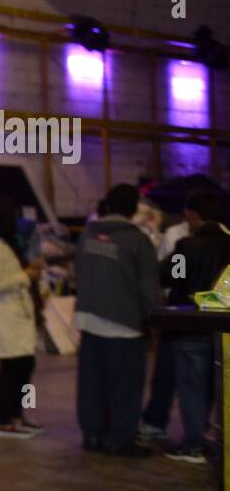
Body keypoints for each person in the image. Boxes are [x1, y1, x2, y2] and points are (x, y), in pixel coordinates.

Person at [74, 183, 162, 457]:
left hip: (88, 319)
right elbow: (149, 286)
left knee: (91, 382)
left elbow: (77, 271)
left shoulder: (87, 235)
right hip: (124, 321)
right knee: (125, 384)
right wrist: (153, 318)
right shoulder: (138, 240)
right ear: (134, 208)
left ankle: (92, 434)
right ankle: (120, 438)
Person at [162, 189, 230, 464]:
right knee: (216, 387)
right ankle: (214, 438)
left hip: (192, 325)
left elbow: (172, 277)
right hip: (224, 327)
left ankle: (193, 445)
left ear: (194, 215)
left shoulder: (187, 246)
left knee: (191, 387)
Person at [0, 197, 41, 439]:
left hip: (18, 315)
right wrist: (25, 276)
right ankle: (4, 419)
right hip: (7, 317)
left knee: (25, 366)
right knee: (11, 370)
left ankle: (19, 414)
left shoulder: (5, 243)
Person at [140, 196, 195, 442]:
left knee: (170, 370)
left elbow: (171, 274)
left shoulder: (180, 240)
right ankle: (192, 428)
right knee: (184, 374)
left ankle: (163, 423)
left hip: (181, 311)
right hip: (193, 313)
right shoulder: (175, 234)